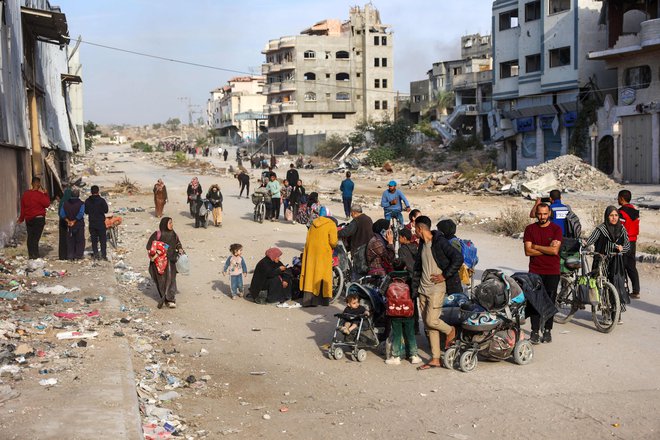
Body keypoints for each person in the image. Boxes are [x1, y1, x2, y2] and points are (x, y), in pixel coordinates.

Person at [412, 216, 462, 370]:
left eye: (415, 229)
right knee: (428, 324)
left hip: (436, 289)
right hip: (423, 289)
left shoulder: (440, 242)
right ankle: (435, 358)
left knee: (432, 320)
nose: (414, 232)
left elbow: (458, 258)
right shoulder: (422, 244)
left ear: (420, 229)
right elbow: (419, 267)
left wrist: (444, 275)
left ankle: (450, 330)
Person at [523, 203, 562, 344]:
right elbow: (527, 251)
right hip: (535, 271)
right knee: (534, 301)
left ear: (549, 213)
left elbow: (554, 251)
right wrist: (547, 249)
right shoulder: (530, 229)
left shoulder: (557, 229)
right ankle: (534, 331)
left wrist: (536, 246)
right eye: (539, 214)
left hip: (552, 271)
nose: (542, 217)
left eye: (545, 214)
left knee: (550, 301)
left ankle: (547, 330)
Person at [584, 206, 631, 321]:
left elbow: (628, 245)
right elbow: (590, 241)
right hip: (602, 261)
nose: (614, 218)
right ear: (607, 216)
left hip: (617, 262)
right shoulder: (601, 229)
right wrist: (583, 244)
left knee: (617, 286)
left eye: (616, 215)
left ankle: (616, 314)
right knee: (602, 287)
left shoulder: (622, 229)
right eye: (611, 215)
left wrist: (622, 248)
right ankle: (605, 313)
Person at [385, 261, 423, 366]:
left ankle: (396, 357)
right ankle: (414, 355)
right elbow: (414, 292)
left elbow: (382, 290)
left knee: (397, 334)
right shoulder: (409, 277)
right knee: (410, 333)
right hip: (408, 311)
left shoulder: (390, 277)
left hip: (394, 311)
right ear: (405, 266)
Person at [300, 215, 339, 307]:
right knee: (322, 275)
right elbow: (333, 242)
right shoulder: (331, 225)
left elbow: (308, 238)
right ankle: (321, 301)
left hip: (311, 252)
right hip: (323, 253)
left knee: (310, 275)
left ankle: (308, 301)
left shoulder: (313, 223)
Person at [146, 217, 184, 308]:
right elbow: (149, 246)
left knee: (171, 279)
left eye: (172, 223)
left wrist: (179, 248)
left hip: (171, 260)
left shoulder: (174, 234)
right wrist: (157, 252)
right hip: (159, 262)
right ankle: (164, 297)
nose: (172, 225)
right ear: (164, 224)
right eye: (170, 223)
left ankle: (170, 299)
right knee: (161, 280)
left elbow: (178, 243)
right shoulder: (157, 234)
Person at [17, 177, 51, 259]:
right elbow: (47, 204)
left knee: (30, 237)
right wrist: (46, 194)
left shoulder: (26, 194)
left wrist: (21, 219)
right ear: (38, 184)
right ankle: (35, 255)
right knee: (36, 238)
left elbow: (23, 208)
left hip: (29, 219)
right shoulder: (40, 195)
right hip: (38, 219)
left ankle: (31, 255)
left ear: (32, 184)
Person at [338, 205, 373, 280]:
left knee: (358, 271)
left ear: (354, 212)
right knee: (366, 269)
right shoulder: (368, 218)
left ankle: (356, 287)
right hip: (369, 247)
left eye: (351, 213)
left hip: (359, 249)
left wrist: (336, 232)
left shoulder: (356, 220)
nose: (351, 215)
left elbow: (347, 232)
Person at [618, 190, 640, 299]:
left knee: (620, 266)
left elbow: (619, 228)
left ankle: (622, 290)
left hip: (624, 242)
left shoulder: (621, 212)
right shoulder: (635, 211)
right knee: (631, 266)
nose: (617, 200)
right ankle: (636, 291)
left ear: (622, 198)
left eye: (618, 198)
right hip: (633, 241)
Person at [59, 188, 86, 260]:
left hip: (69, 225)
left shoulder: (65, 203)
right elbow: (81, 214)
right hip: (78, 224)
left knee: (70, 240)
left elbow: (62, 213)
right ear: (78, 195)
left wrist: (68, 221)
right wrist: (74, 221)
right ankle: (78, 255)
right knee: (80, 240)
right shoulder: (81, 204)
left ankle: (70, 255)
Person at [84, 185, 109, 260]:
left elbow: (86, 211)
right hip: (100, 223)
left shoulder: (88, 201)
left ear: (91, 192)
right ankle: (103, 255)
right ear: (98, 191)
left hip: (92, 222)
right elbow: (106, 210)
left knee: (94, 240)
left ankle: (96, 254)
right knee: (102, 240)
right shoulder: (102, 200)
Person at [57, 184, 72, 260]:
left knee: (62, 238)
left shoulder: (62, 201)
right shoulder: (71, 202)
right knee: (70, 238)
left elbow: (59, 213)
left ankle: (62, 256)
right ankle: (69, 254)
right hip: (71, 222)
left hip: (62, 222)